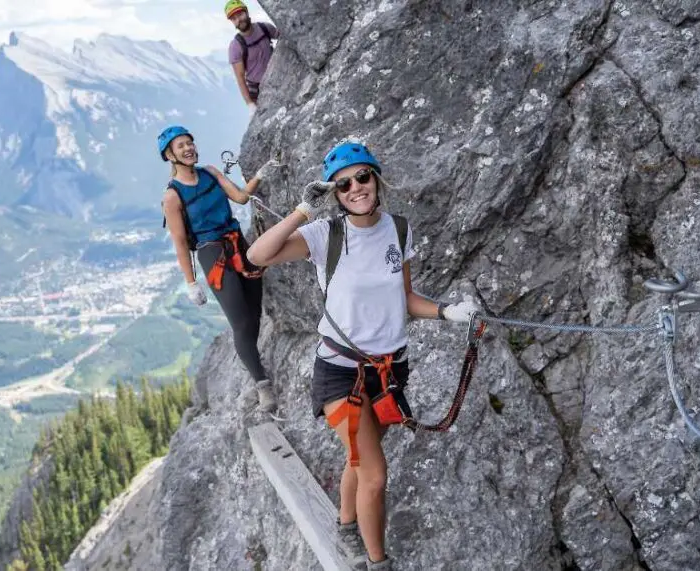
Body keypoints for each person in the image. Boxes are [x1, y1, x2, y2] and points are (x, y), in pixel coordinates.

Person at [245, 141, 479, 570]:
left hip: (390, 371)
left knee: (360, 458)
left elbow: (406, 298)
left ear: (376, 177)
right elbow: (257, 255)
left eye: (362, 177)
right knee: (374, 474)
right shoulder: (325, 235)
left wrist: (447, 311)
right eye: (343, 184)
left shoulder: (399, 230)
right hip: (339, 373)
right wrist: (303, 210)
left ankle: (347, 525)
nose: (355, 187)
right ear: (333, 193)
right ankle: (376, 563)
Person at [157, 125, 279, 414]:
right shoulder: (172, 197)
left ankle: (249, 357)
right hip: (212, 253)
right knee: (241, 321)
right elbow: (178, 242)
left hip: (238, 242)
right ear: (169, 155)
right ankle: (262, 384)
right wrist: (191, 283)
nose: (188, 148)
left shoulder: (211, 172)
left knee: (254, 312)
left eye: (190, 142)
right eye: (181, 146)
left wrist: (261, 174)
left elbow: (239, 198)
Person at [224, 0, 279, 113]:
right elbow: (240, 78)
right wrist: (250, 104)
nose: (238, 20)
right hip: (257, 89)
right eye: (234, 19)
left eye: (240, 14)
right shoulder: (236, 46)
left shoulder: (264, 28)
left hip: (278, 75)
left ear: (246, 12)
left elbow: (284, 37)